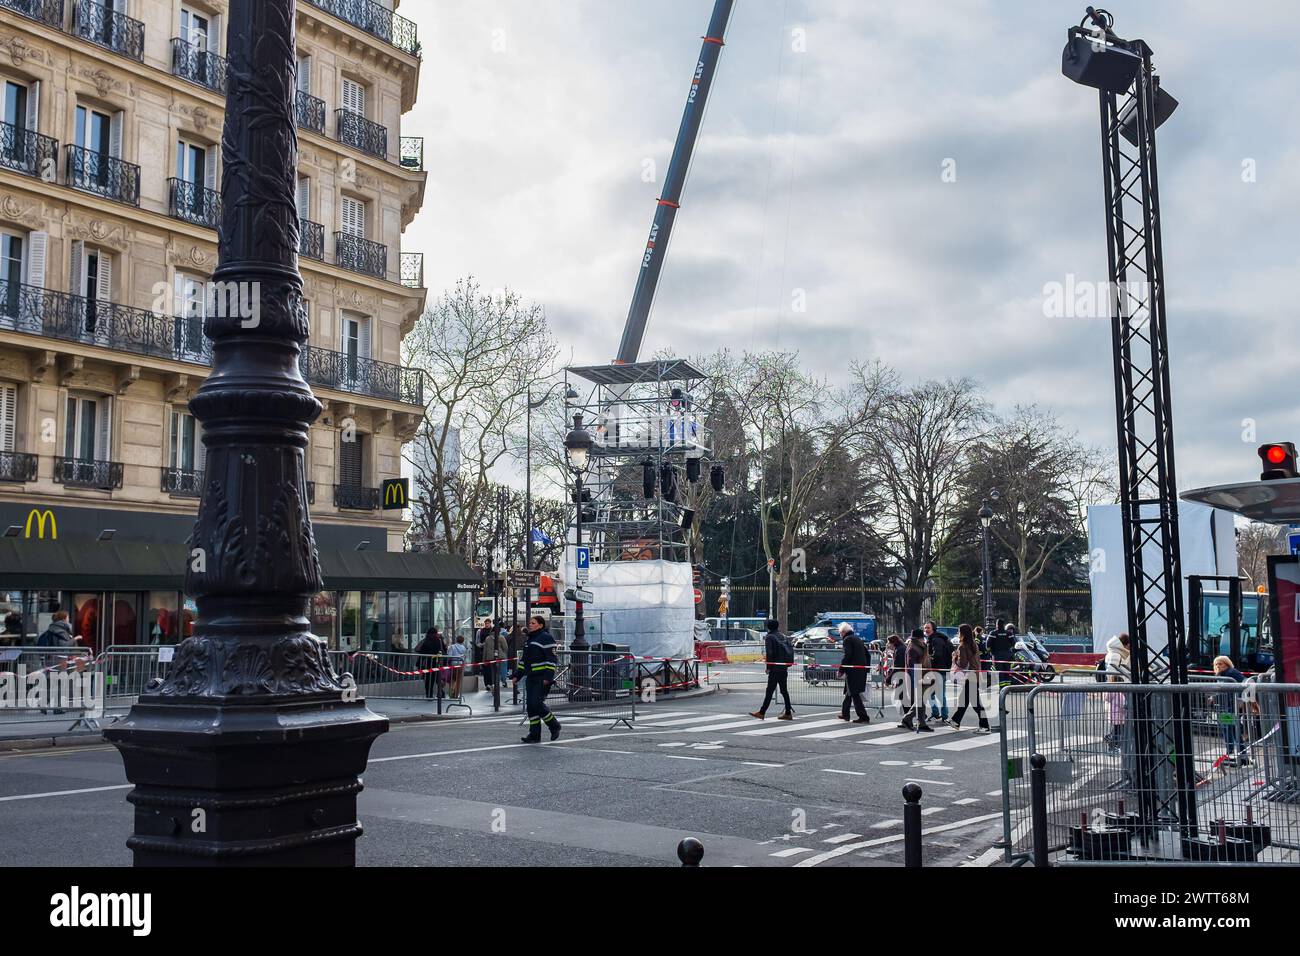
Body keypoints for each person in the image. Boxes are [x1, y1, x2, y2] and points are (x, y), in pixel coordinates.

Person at [514, 615, 561, 742]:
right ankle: (534, 734)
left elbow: (552, 660)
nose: (530, 624)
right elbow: (524, 661)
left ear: (540, 625)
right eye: (530, 622)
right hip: (531, 677)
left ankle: (554, 725)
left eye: (533, 623)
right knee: (530, 706)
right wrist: (517, 675)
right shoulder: (529, 639)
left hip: (542, 677)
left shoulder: (546, 638)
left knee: (537, 703)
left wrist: (548, 677)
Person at [750, 618, 794, 720]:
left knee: (769, 691)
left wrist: (768, 667)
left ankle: (762, 712)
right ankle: (788, 712)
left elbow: (770, 653)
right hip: (783, 667)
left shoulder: (769, 637)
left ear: (768, 627)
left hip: (775, 668)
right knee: (784, 691)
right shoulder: (783, 636)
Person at [950, 623, 990, 732]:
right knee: (964, 700)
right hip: (975, 675)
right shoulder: (973, 644)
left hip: (969, 676)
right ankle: (955, 721)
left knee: (976, 703)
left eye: (959, 631)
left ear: (962, 633)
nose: (958, 634)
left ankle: (985, 726)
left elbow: (962, 664)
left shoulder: (962, 646)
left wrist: (954, 658)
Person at [1212, 655, 1249, 766]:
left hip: (1230, 707)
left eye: (1221, 664)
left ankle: (1236, 755)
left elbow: (1245, 683)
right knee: (1230, 730)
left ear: (1227, 664)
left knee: (1231, 730)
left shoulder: (1231, 673)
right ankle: (1238, 756)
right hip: (1225, 707)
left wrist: (1241, 699)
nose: (1218, 666)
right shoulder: (1221, 675)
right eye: (1216, 664)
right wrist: (1214, 698)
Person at [899, 628, 933, 732]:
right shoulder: (913, 648)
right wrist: (918, 679)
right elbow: (912, 665)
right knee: (920, 700)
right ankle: (907, 719)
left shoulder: (918, 646)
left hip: (923, 675)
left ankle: (921, 723)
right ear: (919, 638)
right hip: (917, 676)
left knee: (922, 701)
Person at [1103, 632, 1131, 752]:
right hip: (1118, 688)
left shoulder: (1113, 653)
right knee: (1119, 725)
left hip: (1115, 689)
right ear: (1126, 644)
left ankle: (1112, 740)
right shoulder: (1116, 654)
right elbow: (1112, 672)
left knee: (1118, 726)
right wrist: (1118, 682)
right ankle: (1113, 742)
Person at [837, 622, 870, 723]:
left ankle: (863, 716)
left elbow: (847, 655)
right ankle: (845, 713)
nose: (840, 635)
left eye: (840, 633)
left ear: (843, 632)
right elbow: (867, 654)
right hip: (860, 669)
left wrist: (841, 669)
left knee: (854, 693)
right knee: (849, 692)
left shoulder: (847, 640)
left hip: (852, 670)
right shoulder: (857, 638)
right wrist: (866, 668)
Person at [925, 621, 952, 724]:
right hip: (938, 669)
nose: (926, 630)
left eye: (928, 628)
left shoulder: (936, 640)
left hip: (937, 670)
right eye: (925, 628)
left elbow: (938, 655)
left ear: (933, 629)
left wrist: (928, 661)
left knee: (939, 694)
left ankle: (944, 715)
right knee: (932, 693)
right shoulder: (935, 638)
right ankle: (937, 713)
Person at [415, 626, 445, 699]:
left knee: (428, 680)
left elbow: (417, 649)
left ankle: (429, 695)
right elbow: (443, 650)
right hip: (436, 662)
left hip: (426, 663)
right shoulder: (439, 640)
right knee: (437, 679)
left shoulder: (426, 640)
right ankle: (441, 692)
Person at [986, 619, 1016, 687]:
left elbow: (987, 645)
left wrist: (990, 652)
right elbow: (1013, 644)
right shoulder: (1009, 633)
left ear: (997, 624)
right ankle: (1007, 688)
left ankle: (1002, 688)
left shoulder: (993, 633)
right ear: (1003, 624)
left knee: (1000, 673)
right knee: (1007, 672)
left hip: (997, 656)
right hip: (1007, 656)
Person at [482, 626, 510, 691]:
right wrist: (503, 653)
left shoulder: (487, 638)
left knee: (491, 672)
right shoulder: (501, 637)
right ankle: (501, 681)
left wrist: (484, 660)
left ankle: (492, 684)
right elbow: (505, 648)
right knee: (501, 670)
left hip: (489, 658)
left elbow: (485, 650)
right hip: (500, 657)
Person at [447, 633, 467, 698]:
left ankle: (451, 692)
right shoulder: (464, 648)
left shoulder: (452, 647)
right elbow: (464, 656)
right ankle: (456, 694)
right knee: (458, 680)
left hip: (453, 663)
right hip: (460, 664)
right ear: (463, 641)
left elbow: (449, 656)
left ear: (456, 640)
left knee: (452, 678)